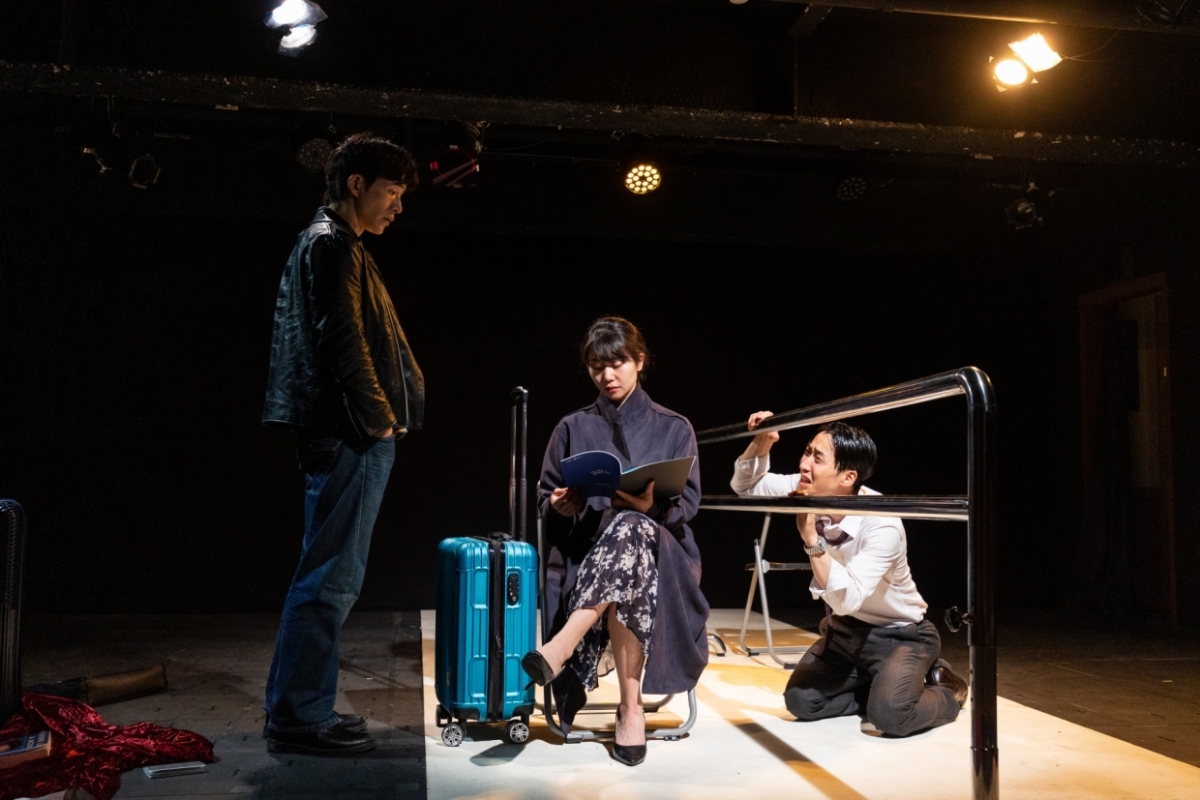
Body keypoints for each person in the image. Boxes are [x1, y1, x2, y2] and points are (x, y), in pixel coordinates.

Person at [260, 133, 424, 756]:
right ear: (356, 185)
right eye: (391, 192)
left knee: (326, 574)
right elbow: (342, 339)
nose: (398, 206)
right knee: (330, 579)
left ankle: (298, 708)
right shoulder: (331, 243)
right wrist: (378, 420)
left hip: (344, 432)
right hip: (349, 434)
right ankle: (300, 717)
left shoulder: (334, 242)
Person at [522, 317, 709, 766]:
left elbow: (688, 503)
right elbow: (546, 498)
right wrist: (560, 505)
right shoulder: (572, 426)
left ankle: (562, 646)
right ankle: (631, 708)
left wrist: (651, 508)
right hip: (588, 558)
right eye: (596, 366)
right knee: (629, 537)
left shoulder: (674, 426)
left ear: (640, 361)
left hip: (663, 559)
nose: (607, 375)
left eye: (618, 363)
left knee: (634, 526)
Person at [731, 414, 967, 737]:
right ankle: (882, 687)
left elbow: (847, 599)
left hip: (900, 634)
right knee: (801, 701)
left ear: (847, 477)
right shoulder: (810, 488)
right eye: (807, 452)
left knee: (890, 717)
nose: (804, 464)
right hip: (848, 632)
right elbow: (745, 487)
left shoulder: (881, 523)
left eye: (817, 458)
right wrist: (763, 440)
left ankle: (947, 688)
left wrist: (811, 542)